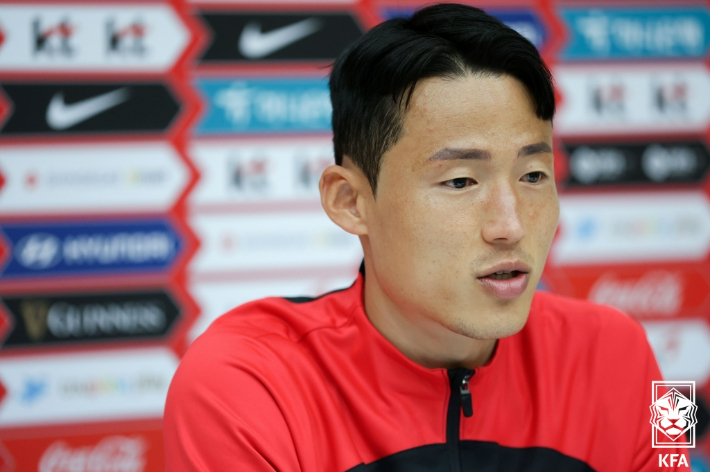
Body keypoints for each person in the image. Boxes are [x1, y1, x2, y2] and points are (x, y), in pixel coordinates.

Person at [164, 4, 687, 470]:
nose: (510, 225)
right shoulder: (241, 381)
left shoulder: (623, 349)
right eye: (460, 182)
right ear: (350, 201)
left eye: (533, 176)